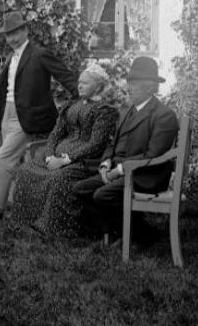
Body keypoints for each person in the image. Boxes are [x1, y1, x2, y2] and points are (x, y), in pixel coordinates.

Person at [0, 11, 80, 224]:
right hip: (8, 114)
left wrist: (82, 97)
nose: (12, 38)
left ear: (26, 30)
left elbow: (65, 75)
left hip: (26, 117)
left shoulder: (39, 54)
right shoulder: (11, 57)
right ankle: (22, 207)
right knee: (17, 162)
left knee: (3, 159)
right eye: (8, 35)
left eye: (16, 32)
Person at [72, 56, 179, 243]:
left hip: (146, 175)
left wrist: (120, 170)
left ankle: (138, 234)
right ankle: (116, 232)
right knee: (80, 189)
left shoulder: (164, 115)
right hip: (119, 171)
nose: (129, 87)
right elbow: (113, 144)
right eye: (129, 81)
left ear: (149, 86)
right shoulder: (126, 111)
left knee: (102, 195)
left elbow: (153, 156)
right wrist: (106, 163)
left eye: (135, 83)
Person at [9, 63, 119, 237]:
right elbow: (55, 134)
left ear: (98, 87)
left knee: (58, 178)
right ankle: (24, 221)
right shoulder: (71, 107)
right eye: (79, 82)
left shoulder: (105, 111)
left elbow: (96, 144)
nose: (80, 86)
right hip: (55, 156)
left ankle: (51, 228)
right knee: (25, 171)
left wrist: (65, 160)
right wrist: (50, 156)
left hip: (85, 161)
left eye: (86, 83)